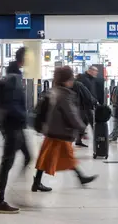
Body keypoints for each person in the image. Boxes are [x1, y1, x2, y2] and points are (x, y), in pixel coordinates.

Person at [33, 66, 98, 194]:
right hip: (59, 132)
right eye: (70, 79)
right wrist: (82, 128)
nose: (72, 81)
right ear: (65, 80)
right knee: (65, 156)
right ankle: (81, 177)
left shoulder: (54, 91)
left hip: (52, 130)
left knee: (47, 156)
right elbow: (71, 114)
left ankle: (37, 182)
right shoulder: (64, 95)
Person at [0, 48, 32, 214]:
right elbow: (12, 105)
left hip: (15, 126)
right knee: (7, 162)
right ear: (23, 60)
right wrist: (26, 118)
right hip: (13, 126)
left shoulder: (14, 75)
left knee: (28, 156)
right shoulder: (14, 78)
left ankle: (18, 193)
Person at [72, 79, 96, 148]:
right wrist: (95, 102)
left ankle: (78, 140)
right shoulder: (79, 84)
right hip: (83, 107)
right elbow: (88, 96)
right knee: (87, 122)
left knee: (83, 122)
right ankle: (98, 139)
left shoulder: (65, 86)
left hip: (74, 107)